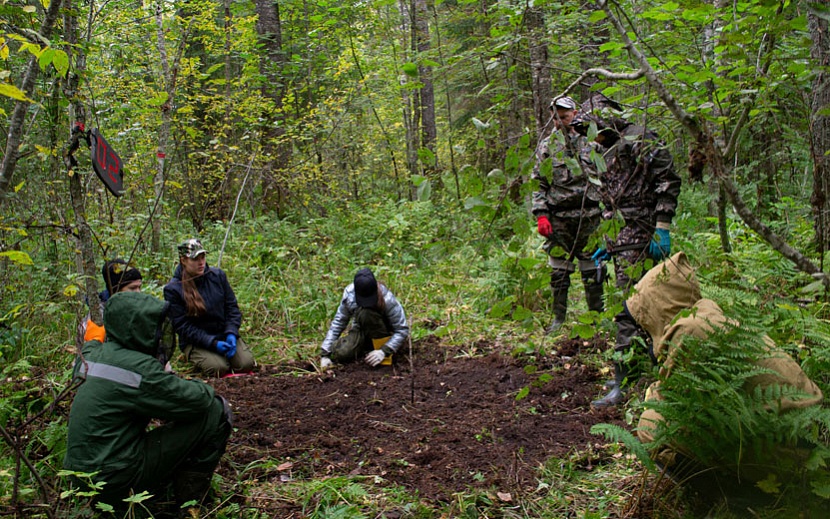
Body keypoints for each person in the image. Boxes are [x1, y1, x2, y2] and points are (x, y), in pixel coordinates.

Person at [627, 253, 823, 481]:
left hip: (782, 446)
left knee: (651, 424)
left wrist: (654, 394)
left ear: (656, 308)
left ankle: (726, 490)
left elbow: (685, 408)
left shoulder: (691, 332)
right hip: (804, 433)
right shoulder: (708, 318)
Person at [64, 291, 233, 511]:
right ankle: (188, 503)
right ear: (139, 330)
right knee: (216, 411)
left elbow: (89, 347)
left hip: (77, 478)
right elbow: (199, 400)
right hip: (114, 481)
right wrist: (172, 380)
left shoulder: (90, 355)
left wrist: (95, 337)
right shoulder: (140, 370)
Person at [571, 97, 682, 406]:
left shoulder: (639, 138)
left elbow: (668, 179)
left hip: (644, 232)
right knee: (636, 306)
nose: (591, 136)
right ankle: (637, 371)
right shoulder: (600, 151)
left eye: (594, 129)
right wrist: (608, 245)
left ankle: (625, 380)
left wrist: (662, 226)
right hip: (622, 236)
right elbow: (610, 200)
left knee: (631, 308)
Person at [531, 96, 604, 334]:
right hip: (559, 218)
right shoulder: (546, 147)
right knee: (559, 272)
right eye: (555, 117)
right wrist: (541, 215)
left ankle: (596, 318)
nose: (559, 121)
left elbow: (606, 177)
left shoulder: (592, 142)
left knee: (592, 270)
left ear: (574, 114)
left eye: (563, 116)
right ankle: (558, 319)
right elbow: (539, 184)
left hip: (590, 216)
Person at [163, 238, 256, 377]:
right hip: (197, 341)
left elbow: (232, 308)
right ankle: (195, 357)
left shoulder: (217, 276)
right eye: (195, 259)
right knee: (217, 368)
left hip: (223, 333)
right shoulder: (173, 289)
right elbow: (182, 326)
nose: (201, 263)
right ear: (183, 260)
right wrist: (212, 343)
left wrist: (231, 332)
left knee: (246, 364)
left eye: (203, 257)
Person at [320, 268, 409, 369]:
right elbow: (339, 322)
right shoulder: (349, 296)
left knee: (367, 313)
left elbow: (402, 329)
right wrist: (325, 353)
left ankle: (379, 351)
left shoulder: (387, 299)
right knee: (342, 353)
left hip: (384, 331)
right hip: (361, 328)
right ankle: (367, 347)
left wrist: (384, 350)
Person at [81, 259, 143, 343]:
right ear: (116, 290)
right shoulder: (98, 318)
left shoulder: (141, 311)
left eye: (139, 287)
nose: (138, 293)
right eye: (132, 288)